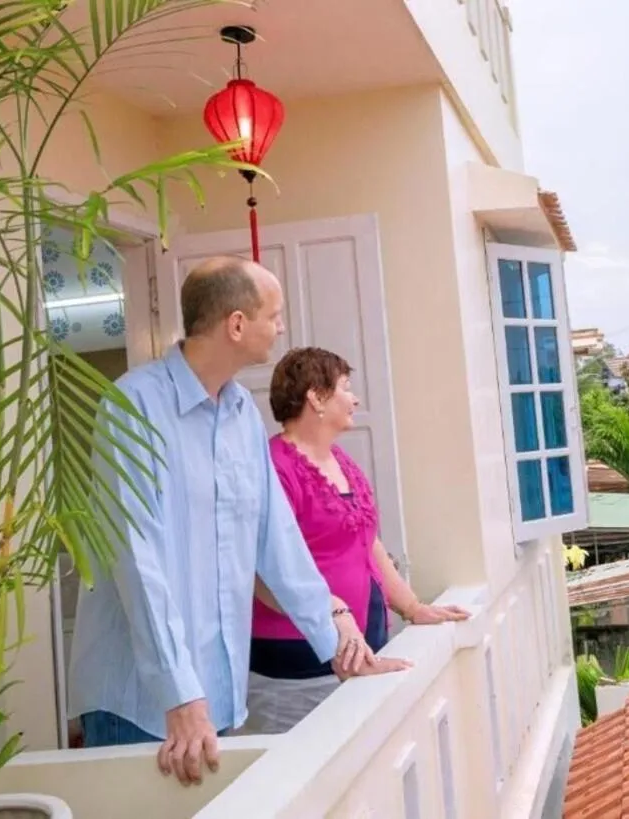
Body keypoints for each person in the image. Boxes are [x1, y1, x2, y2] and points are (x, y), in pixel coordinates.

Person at [67, 257, 408, 785]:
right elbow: (137, 561)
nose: (282, 327)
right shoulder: (132, 406)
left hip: (217, 698)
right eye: (274, 314)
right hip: (140, 703)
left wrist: (338, 642)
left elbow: (278, 542)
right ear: (236, 323)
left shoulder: (241, 414)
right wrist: (179, 692)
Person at [246, 347, 468, 733]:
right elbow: (261, 575)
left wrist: (413, 608)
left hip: (359, 643)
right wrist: (330, 615)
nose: (355, 398)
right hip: (299, 661)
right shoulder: (275, 469)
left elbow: (369, 545)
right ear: (316, 397)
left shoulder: (341, 461)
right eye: (345, 388)